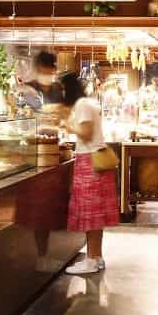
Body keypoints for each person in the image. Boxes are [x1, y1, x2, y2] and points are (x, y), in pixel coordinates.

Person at [63, 72, 118, 275]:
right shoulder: (88, 103)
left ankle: (92, 260)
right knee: (95, 214)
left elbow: (85, 133)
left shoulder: (82, 105)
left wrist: (67, 125)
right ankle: (96, 257)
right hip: (96, 160)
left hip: (90, 161)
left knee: (91, 214)